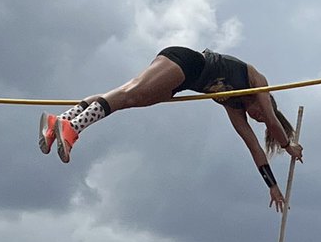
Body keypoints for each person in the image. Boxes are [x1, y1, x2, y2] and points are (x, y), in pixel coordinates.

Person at [38, 47, 304, 211]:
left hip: (183, 80)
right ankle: (73, 127)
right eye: (259, 113)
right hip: (187, 63)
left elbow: (254, 147)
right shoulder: (259, 85)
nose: (256, 115)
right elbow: (271, 122)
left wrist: (272, 186)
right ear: (267, 103)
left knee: (130, 98)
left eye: (255, 118)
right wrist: (287, 146)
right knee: (129, 94)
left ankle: (60, 122)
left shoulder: (234, 107)